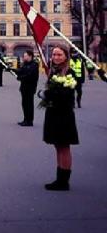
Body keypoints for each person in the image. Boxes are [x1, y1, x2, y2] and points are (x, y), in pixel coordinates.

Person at [42, 45, 79, 191]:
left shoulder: (69, 72)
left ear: (66, 56)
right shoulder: (54, 71)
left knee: (64, 146)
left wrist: (47, 95)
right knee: (58, 145)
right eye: (54, 55)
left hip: (63, 113)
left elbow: (67, 95)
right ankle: (59, 178)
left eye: (59, 55)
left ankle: (64, 181)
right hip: (53, 112)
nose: (56, 57)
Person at [16, 50, 39, 127]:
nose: (24, 57)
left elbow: (31, 76)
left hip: (30, 87)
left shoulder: (34, 65)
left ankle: (29, 121)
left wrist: (20, 78)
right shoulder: (25, 64)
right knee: (24, 104)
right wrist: (12, 70)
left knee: (29, 104)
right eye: (24, 56)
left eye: (25, 56)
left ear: (30, 56)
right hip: (24, 87)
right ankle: (25, 119)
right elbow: (20, 71)